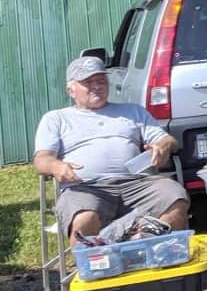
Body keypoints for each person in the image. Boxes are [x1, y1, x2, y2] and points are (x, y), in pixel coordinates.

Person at [33, 56, 188, 244]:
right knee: (84, 218)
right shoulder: (56, 118)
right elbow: (42, 159)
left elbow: (167, 139)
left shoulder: (133, 111)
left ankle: (153, 252)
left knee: (174, 197)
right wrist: (56, 166)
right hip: (86, 187)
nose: (97, 86)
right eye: (88, 82)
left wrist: (162, 147)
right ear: (70, 90)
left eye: (101, 81)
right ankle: (97, 261)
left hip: (137, 184)